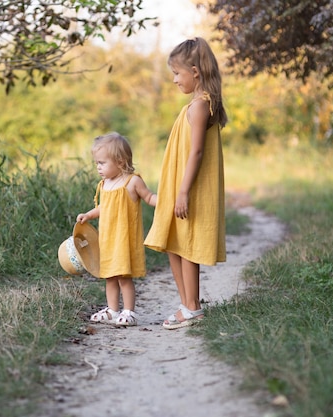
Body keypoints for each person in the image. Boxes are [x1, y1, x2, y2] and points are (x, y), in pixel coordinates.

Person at [144, 37, 227, 330]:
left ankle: (192, 307)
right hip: (179, 185)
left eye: (177, 74)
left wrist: (182, 191)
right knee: (174, 244)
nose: (175, 80)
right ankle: (186, 304)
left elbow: (196, 152)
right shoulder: (195, 105)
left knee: (187, 245)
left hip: (188, 189)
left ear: (195, 71)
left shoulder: (201, 106)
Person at [77, 132, 157, 326]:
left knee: (123, 276)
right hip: (108, 239)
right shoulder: (105, 184)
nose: (98, 167)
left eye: (102, 163)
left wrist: (165, 202)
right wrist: (88, 214)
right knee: (110, 276)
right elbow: (104, 207)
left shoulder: (132, 182)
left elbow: (148, 197)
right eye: (97, 163)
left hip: (124, 239)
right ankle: (113, 310)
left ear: (120, 162)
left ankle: (129, 311)